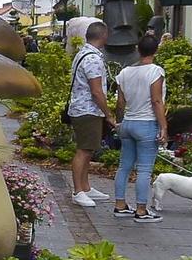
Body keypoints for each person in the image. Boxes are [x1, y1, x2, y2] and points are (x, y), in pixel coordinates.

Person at [111, 31, 168, 223]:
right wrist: (164, 127)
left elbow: (120, 102)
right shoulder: (155, 71)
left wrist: (119, 122)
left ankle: (120, 204)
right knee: (144, 169)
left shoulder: (125, 72)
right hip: (146, 122)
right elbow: (157, 100)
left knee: (124, 166)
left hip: (128, 122)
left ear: (137, 50)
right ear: (156, 49)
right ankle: (141, 210)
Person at [67, 21, 115, 208]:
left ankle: (85, 187)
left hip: (82, 108)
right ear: (103, 36)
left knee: (88, 149)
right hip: (88, 109)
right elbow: (96, 91)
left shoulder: (83, 53)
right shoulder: (93, 58)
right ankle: (78, 190)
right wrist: (108, 114)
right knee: (84, 150)